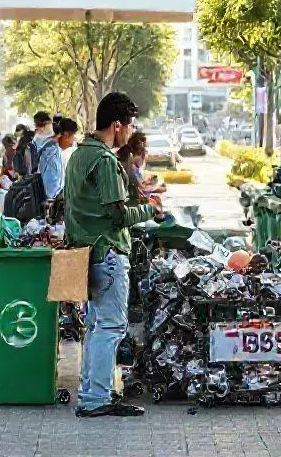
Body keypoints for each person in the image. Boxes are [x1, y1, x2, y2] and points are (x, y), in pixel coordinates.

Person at [66, 92, 162, 418]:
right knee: (110, 327)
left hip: (87, 254)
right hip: (107, 252)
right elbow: (118, 215)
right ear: (117, 125)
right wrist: (149, 209)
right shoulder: (105, 161)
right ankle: (97, 399)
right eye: (130, 125)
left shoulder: (79, 156)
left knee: (96, 327)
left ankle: (92, 394)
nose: (131, 132)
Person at [38, 116, 79, 200]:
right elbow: (52, 191)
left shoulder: (57, 151)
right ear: (66, 136)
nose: (74, 140)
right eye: (73, 136)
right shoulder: (51, 155)